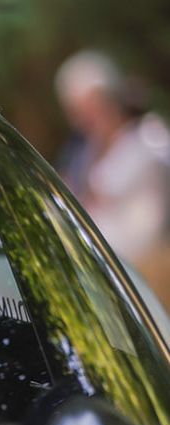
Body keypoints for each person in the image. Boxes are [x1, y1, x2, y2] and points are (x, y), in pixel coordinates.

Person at [55, 50, 170, 270]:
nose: (85, 119)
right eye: (77, 111)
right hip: (99, 264)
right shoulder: (82, 151)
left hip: (139, 268)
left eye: (91, 106)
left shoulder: (150, 138)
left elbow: (105, 191)